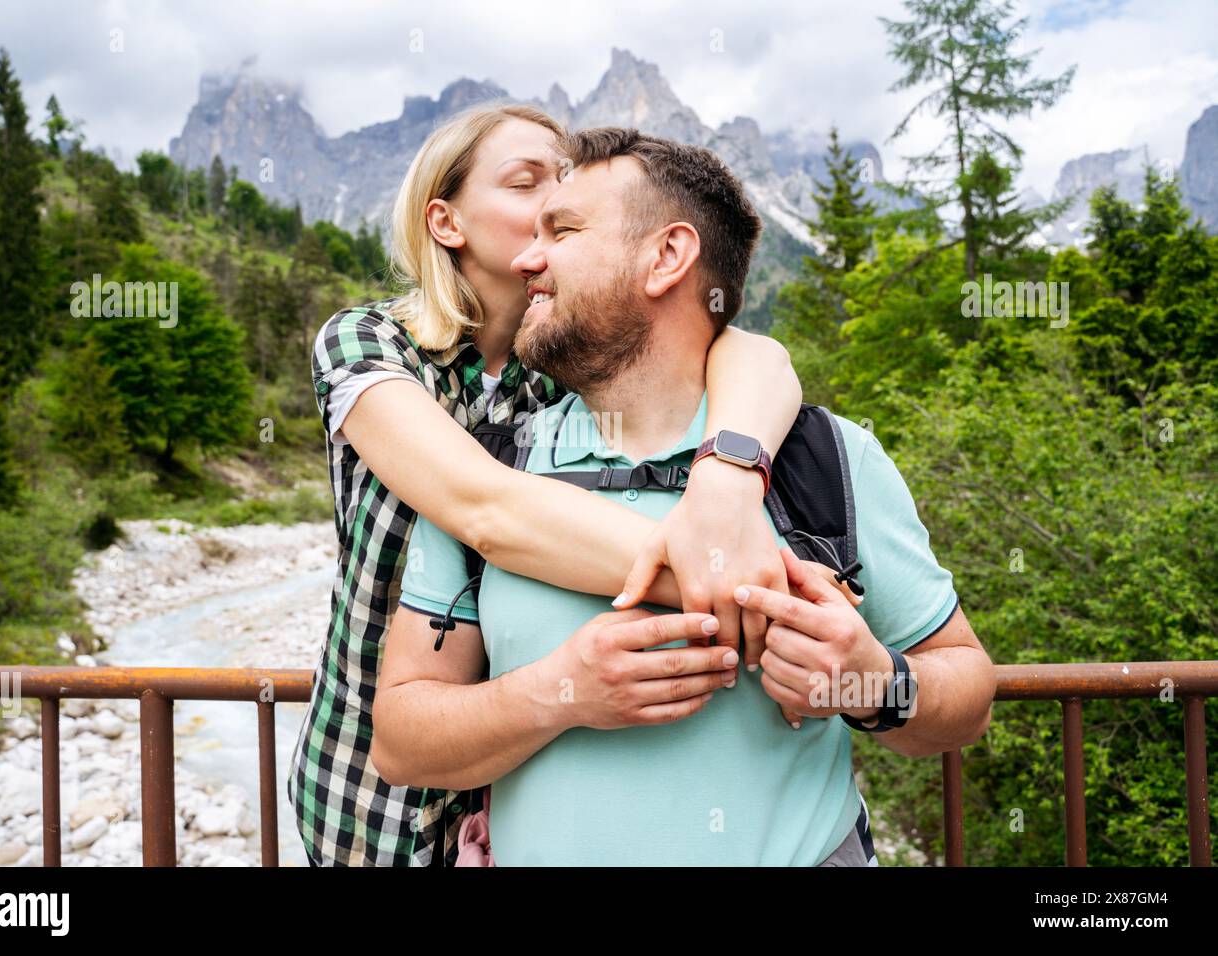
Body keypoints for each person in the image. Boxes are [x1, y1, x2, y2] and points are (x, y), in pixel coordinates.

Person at [371, 128, 996, 866]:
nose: (525, 259)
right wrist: (559, 691)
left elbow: (968, 692)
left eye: (562, 230)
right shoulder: (499, 464)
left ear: (667, 257)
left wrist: (872, 679)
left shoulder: (826, 458)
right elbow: (400, 742)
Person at [288, 104, 815, 866]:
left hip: (518, 778)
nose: (551, 204)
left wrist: (725, 486)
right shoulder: (368, 342)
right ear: (446, 222)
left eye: (564, 189)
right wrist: (755, 589)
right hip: (372, 782)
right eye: (526, 181)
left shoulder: (563, 376)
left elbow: (758, 359)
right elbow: (486, 510)